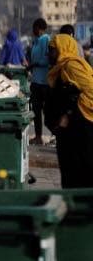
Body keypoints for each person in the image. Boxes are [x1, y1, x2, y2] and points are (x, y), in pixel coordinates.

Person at [46, 34, 93, 188]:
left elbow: (90, 90)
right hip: (68, 132)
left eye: (52, 50)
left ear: (62, 49)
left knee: (79, 172)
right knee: (69, 172)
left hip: (80, 128)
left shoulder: (72, 66)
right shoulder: (60, 68)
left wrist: (69, 113)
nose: (49, 54)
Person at [28, 18, 51, 145]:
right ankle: (38, 136)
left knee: (47, 112)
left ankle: (56, 136)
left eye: (34, 28)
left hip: (44, 82)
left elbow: (46, 60)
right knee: (36, 111)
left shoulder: (45, 40)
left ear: (39, 28)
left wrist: (35, 64)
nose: (33, 31)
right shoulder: (36, 42)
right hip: (36, 81)